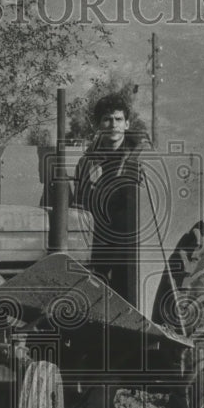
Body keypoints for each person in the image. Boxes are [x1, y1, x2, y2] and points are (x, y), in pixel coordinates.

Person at [72, 93, 150, 302]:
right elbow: (79, 204)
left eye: (118, 119)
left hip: (132, 243)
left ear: (127, 123)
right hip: (97, 241)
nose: (113, 125)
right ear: (99, 125)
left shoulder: (142, 159)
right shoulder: (86, 163)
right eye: (107, 119)